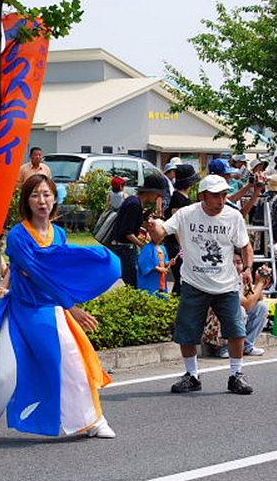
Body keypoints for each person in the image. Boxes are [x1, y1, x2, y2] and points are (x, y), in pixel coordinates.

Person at [0, 174, 120, 443]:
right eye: (35, 195)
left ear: (55, 199)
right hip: (21, 313)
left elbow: (53, 272)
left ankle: (92, 421)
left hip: (51, 312)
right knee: (5, 376)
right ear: (27, 201)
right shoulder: (19, 234)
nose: (41, 201)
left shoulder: (60, 234)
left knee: (75, 367)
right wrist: (72, 306)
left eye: (46, 194)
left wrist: (8, 283)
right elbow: (33, 270)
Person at [147, 174, 256, 395]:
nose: (221, 200)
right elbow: (160, 234)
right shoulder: (186, 214)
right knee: (187, 331)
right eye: (216, 196)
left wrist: (247, 268)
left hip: (226, 284)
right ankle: (192, 375)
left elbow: (245, 246)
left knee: (236, 330)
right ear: (203, 195)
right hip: (194, 282)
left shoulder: (233, 217)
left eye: (224, 195)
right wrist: (153, 226)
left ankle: (236, 374)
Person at [109, 175, 165, 287]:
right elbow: (127, 232)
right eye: (157, 194)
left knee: (132, 280)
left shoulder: (134, 201)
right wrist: (143, 245)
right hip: (124, 247)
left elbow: (132, 223)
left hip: (124, 246)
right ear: (150, 192)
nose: (157, 197)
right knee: (133, 282)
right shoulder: (134, 204)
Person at [166, 165, 199, 293]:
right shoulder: (178, 199)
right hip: (177, 244)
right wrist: (183, 246)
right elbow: (177, 224)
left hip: (180, 244)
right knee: (181, 277)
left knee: (182, 278)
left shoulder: (183, 198)